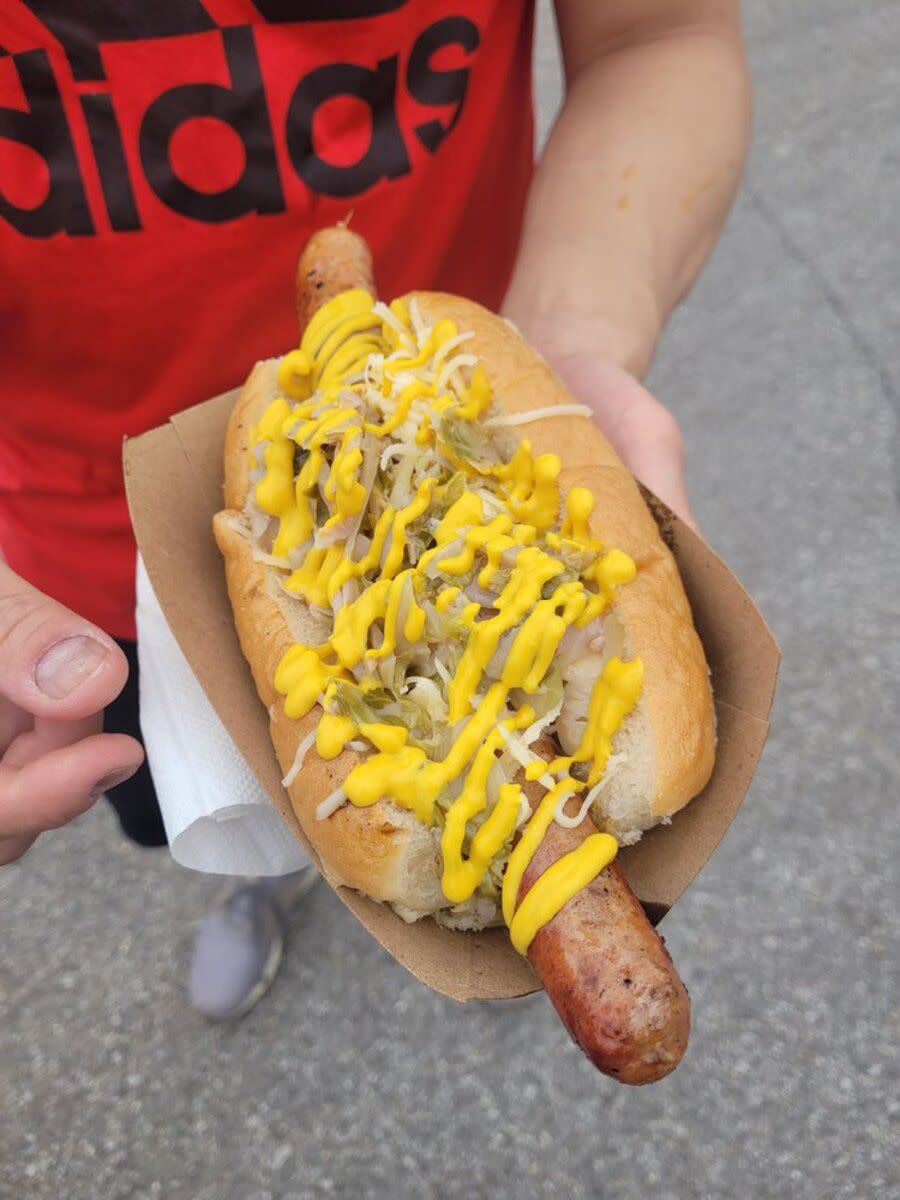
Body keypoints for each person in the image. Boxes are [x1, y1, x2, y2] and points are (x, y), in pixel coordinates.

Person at [0, 2, 751, 1015]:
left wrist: (579, 347)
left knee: (372, 835)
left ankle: (399, 879)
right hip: (62, 572)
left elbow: (656, 36)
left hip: (463, 353)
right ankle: (263, 879)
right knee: (199, 798)